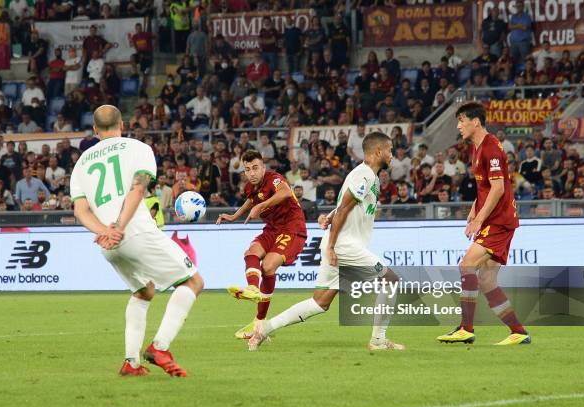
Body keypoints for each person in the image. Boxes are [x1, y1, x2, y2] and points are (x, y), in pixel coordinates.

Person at [70, 105, 204, 377]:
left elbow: (80, 209)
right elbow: (138, 188)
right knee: (193, 282)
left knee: (144, 292)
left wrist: (105, 231)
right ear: (122, 123)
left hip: (109, 244)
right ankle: (160, 347)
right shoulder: (138, 148)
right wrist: (118, 225)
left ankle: (131, 362)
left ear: (95, 129)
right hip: (135, 230)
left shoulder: (82, 161)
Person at [248, 132, 404, 352]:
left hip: (341, 244)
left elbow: (343, 205)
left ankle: (263, 329)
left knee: (319, 302)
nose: (391, 155)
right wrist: (331, 245)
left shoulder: (369, 177)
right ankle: (378, 341)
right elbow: (345, 207)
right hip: (344, 246)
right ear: (378, 151)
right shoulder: (365, 175)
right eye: (389, 150)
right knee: (390, 280)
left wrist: (329, 217)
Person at [438, 102, 530, 346]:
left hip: (499, 221)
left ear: (475, 121)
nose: (458, 126)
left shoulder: (491, 148)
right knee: (487, 280)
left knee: (466, 265)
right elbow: (485, 187)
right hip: (496, 219)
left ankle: (465, 328)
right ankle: (518, 332)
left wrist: (479, 220)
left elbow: (499, 188)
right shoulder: (477, 148)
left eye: (461, 121)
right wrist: (473, 210)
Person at [216, 150, 307, 339]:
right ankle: (253, 290)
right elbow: (251, 201)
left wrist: (261, 206)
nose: (251, 173)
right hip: (272, 229)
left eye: (255, 168)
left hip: (292, 228)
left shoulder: (274, 179)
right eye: (247, 169)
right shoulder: (250, 187)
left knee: (267, 266)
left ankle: (260, 319)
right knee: (251, 251)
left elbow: (285, 192)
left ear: (263, 168)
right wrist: (233, 216)